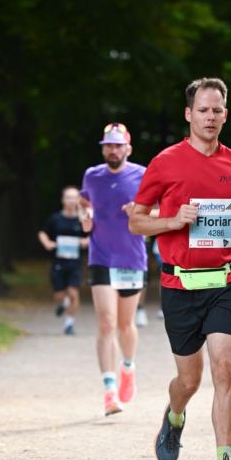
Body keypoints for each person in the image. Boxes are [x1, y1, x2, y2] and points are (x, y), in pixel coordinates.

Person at [130, 77, 231, 460]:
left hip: (226, 281)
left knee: (224, 368)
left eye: (217, 110)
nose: (210, 117)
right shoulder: (165, 163)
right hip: (179, 284)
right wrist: (172, 221)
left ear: (226, 114)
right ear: (189, 114)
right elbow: (136, 220)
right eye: (203, 110)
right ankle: (174, 416)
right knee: (188, 381)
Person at [80, 124, 147, 416]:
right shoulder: (92, 175)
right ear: (103, 148)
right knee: (106, 323)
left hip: (131, 258)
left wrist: (142, 212)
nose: (113, 150)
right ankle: (109, 391)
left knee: (125, 324)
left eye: (118, 145)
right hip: (101, 256)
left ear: (128, 149)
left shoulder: (143, 175)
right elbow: (85, 203)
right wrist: (86, 216)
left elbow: (161, 211)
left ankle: (128, 367)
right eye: (108, 145)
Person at [37, 185, 89, 335]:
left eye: (74, 197)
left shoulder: (82, 219)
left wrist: (86, 242)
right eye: (68, 197)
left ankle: (69, 323)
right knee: (59, 294)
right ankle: (64, 302)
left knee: (74, 293)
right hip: (59, 262)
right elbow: (43, 233)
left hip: (75, 262)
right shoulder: (55, 218)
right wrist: (47, 243)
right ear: (63, 200)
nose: (71, 201)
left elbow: (93, 235)